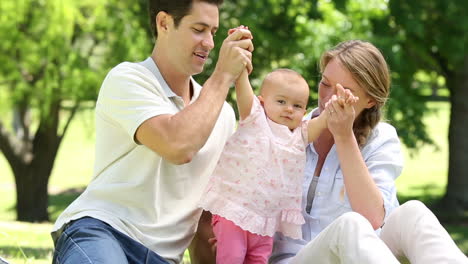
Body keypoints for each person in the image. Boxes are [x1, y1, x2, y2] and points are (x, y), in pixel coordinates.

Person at [50, 0, 255, 263]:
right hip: (103, 231)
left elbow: (205, 219)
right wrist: (224, 75)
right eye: (199, 29)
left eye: (213, 32)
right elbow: (178, 145)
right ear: (164, 23)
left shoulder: (223, 115)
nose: (209, 43)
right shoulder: (127, 79)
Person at [269, 40, 468, 263]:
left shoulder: (381, 139)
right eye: (325, 83)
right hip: (296, 258)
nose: (329, 98)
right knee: (349, 224)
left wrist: (344, 136)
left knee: (413, 212)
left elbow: (372, 218)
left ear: (370, 100)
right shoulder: (285, 130)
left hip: (361, 255)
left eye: (346, 92)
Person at [198, 27, 358, 264]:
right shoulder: (254, 117)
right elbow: (242, 82)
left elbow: (325, 118)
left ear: (304, 111)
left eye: (297, 105)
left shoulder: (301, 134)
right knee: (231, 258)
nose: (288, 109)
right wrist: (241, 54)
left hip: (265, 222)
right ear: (263, 102)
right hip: (235, 212)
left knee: (259, 260)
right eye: (281, 101)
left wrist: (341, 100)